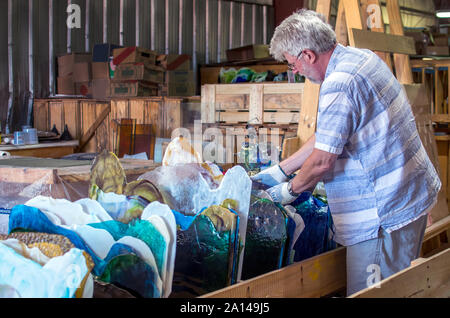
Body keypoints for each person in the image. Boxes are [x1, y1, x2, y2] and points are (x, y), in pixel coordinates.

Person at [251, 9, 441, 296]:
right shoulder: (359, 58)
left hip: (382, 217)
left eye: (293, 65)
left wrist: (284, 192)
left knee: (373, 293)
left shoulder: (339, 84)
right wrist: (281, 169)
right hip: (406, 197)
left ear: (308, 55)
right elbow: (329, 135)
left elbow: (321, 163)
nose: (295, 71)